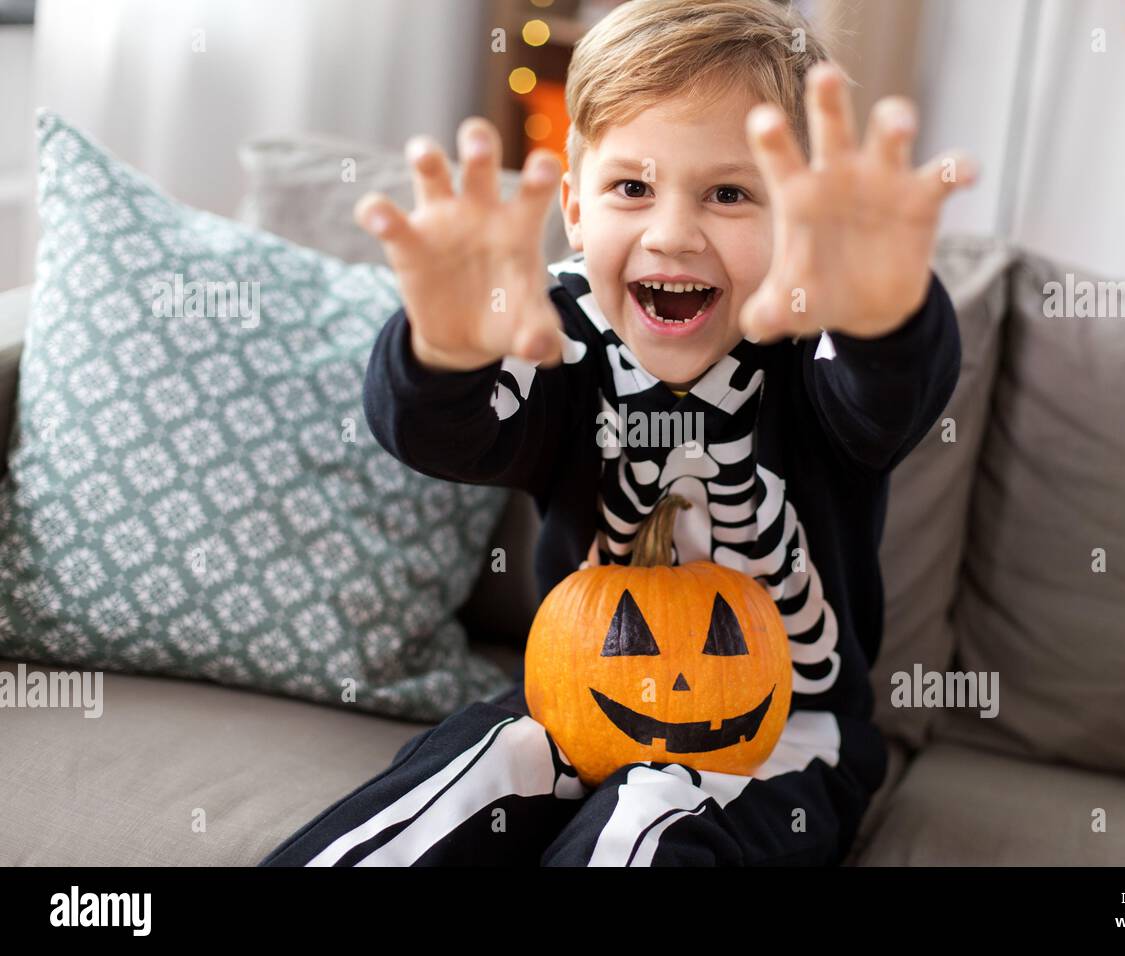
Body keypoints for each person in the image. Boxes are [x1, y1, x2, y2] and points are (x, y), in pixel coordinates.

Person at [260, 0, 975, 867]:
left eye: (730, 193)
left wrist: (885, 315)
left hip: (784, 736)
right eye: (631, 187)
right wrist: (442, 350)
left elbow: (884, 397)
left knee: (650, 814)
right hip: (572, 700)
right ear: (574, 206)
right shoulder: (555, 328)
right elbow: (444, 434)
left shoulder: (809, 333)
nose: (672, 234)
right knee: (478, 767)